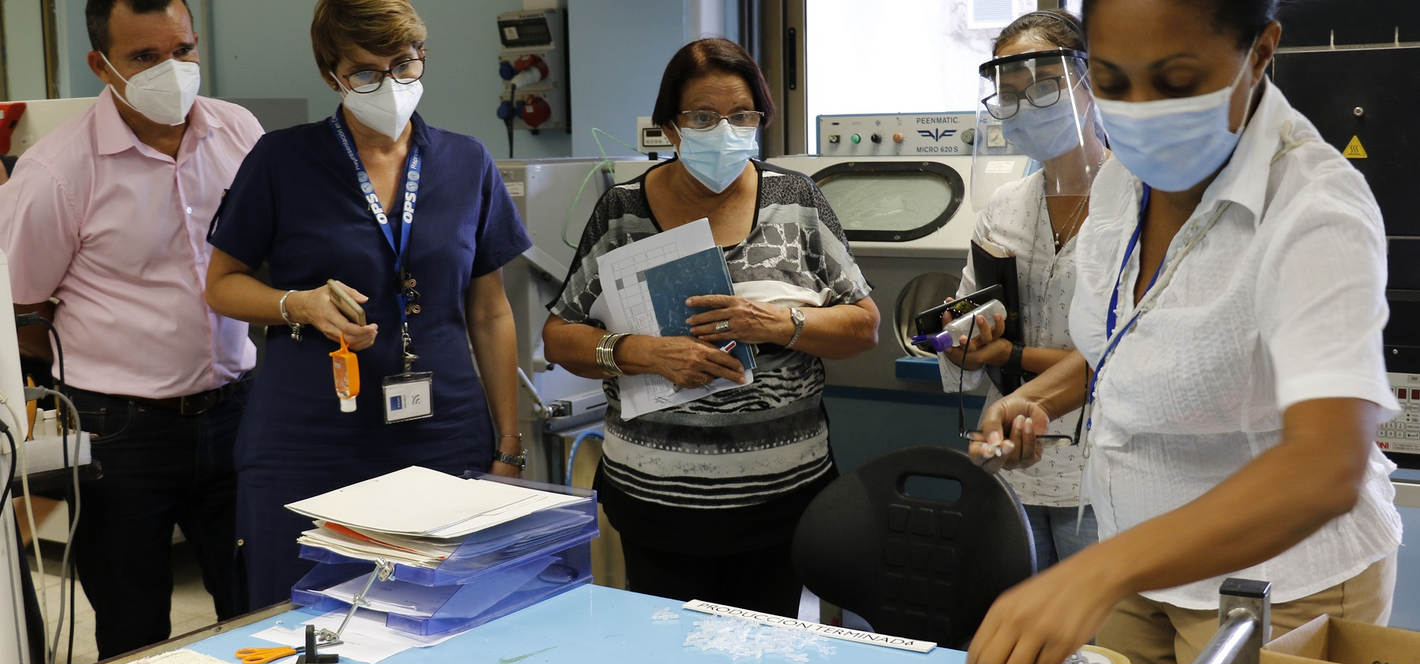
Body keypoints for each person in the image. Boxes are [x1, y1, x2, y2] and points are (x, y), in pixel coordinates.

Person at [959, 1, 1402, 664]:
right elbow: (1133, 333)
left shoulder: (1315, 209)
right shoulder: (1121, 181)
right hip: (1137, 558)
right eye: (1111, 79)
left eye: (1174, 81)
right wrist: (1036, 400)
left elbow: (1327, 466)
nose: (1138, 110)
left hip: (1276, 580)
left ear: (1260, 53)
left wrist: (1093, 572)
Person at [204, 0, 531, 612]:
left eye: (403, 65)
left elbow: (491, 312)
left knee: (438, 615)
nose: (389, 85)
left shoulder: (467, 163)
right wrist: (295, 303)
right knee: (301, 623)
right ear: (332, 74)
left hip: (443, 434)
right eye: (365, 73)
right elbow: (221, 283)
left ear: (422, 59)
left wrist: (508, 446)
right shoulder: (282, 161)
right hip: (310, 437)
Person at [542, 38, 879, 618]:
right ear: (671, 126)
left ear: (760, 119)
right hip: (655, 502)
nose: (724, 130)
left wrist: (779, 322)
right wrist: (642, 352)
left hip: (782, 503)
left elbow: (862, 326)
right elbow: (559, 336)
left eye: (741, 115)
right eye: (702, 116)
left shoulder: (795, 202)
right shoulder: (622, 213)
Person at [0, 0, 262, 660]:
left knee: (259, 609)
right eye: (145, 58)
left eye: (183, 50)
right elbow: (23, 313)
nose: (172, 70)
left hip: (240, 413)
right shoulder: (55, 172)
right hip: (119, 435)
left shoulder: (240, 134)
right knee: (133, 629)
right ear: (101, 65)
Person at [938, 10, 1104, 573]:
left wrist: (1011, 354)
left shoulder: (1138, 203)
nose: (1024, 103)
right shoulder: (1004, 209)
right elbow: (964, 314)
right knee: (1023, 621)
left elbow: (1129, 353)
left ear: (1088, 82)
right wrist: (957, 339)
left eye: (1042, 86)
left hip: (1102, 462)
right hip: (1009, 449)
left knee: (1098, 639)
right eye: (1008, 93)